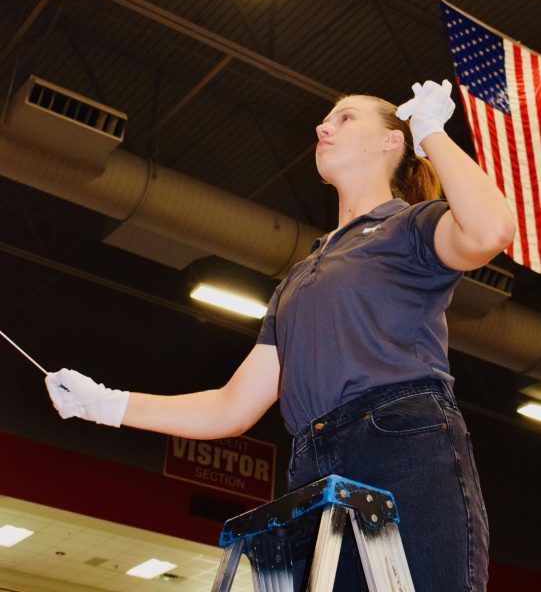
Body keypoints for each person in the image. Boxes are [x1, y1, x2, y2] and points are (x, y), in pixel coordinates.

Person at [45, 80, 515, 591]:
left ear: (391, 141)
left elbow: (489, 232)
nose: (323, 126)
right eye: (327, 120)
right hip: (314, 460)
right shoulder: (299, 276)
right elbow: (231, 407)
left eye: (345, 118)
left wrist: (432, 133)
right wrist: (106, 405)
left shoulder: (411, 227)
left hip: (402, 444)